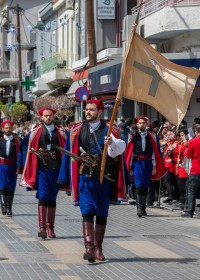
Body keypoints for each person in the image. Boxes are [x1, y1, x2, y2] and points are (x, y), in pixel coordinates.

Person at [58, 99, 127, 263]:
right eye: (86, 109)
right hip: (85, 178)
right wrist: (65, 180)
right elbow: (68, 156)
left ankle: (98, 248)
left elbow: (119, 150)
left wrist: (111, 144)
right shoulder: (76, 130)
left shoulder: (111, 130)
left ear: (100, 111)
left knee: (102, 214)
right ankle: (89, 248)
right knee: (87, 211)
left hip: (104, 179)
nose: (87, 112)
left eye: (91, 109)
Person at [19, 108, 67, 238]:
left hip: (56, 169)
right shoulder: (35, 131)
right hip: (41, 169)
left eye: (50, 116)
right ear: (41, 117)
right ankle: (42, 228)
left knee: (52, 198)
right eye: (46, 116)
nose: (48, 118)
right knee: (43, 196)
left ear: (53, 116)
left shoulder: (61, 131)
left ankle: (50, 228)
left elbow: (67, 147)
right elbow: (24, 145)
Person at [125, 116, 166, 217]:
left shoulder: (152, 136)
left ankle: (143, 208)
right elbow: (130, 153)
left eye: (144, 123)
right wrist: (130, 167)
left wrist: (154, 166)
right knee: (138, 184)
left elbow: (154, 152)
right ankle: (139, 208)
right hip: (137, 163)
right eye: (140, 123)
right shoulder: (132, 136)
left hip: (148, 163)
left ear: (146, 124)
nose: (142, 124)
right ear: (137, 124)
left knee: (146, 185)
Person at [0, 120, 20, 216]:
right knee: (2, 185)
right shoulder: (0, 139)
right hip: (2, 165)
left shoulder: (17, 140)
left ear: (13, 129)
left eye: (10, 128)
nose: (8, 130)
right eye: (6, 128)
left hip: (13, 166)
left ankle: (9, 208)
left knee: (11, 187)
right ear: (3, 129)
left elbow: (22, 152)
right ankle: (3, 205)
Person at [181, 124, 200, 218]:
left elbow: (188, 155)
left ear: (196, 132)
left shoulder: (193, 141)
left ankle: (190, 212)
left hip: (196, 169)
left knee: (192, 191)